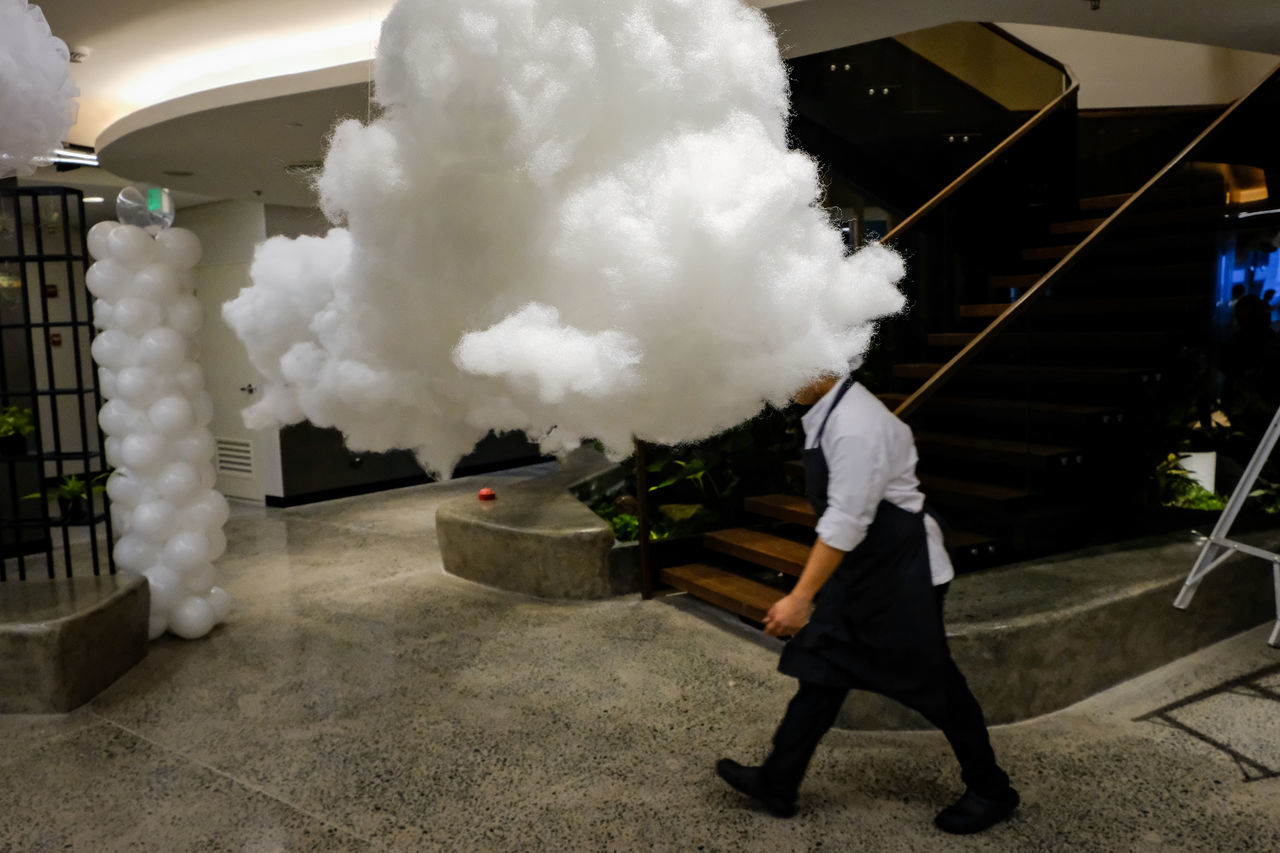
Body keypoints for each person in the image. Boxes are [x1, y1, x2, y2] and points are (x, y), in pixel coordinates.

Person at [715, 365, 1019, 835]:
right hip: (868, 565)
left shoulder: (857, 425)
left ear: (829, 365)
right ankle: (778, 781)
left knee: (936, 688)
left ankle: (991, 790)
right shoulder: (830, 410)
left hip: (903, 573)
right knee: (822, 668)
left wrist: (800, 596)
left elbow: (846, 519)